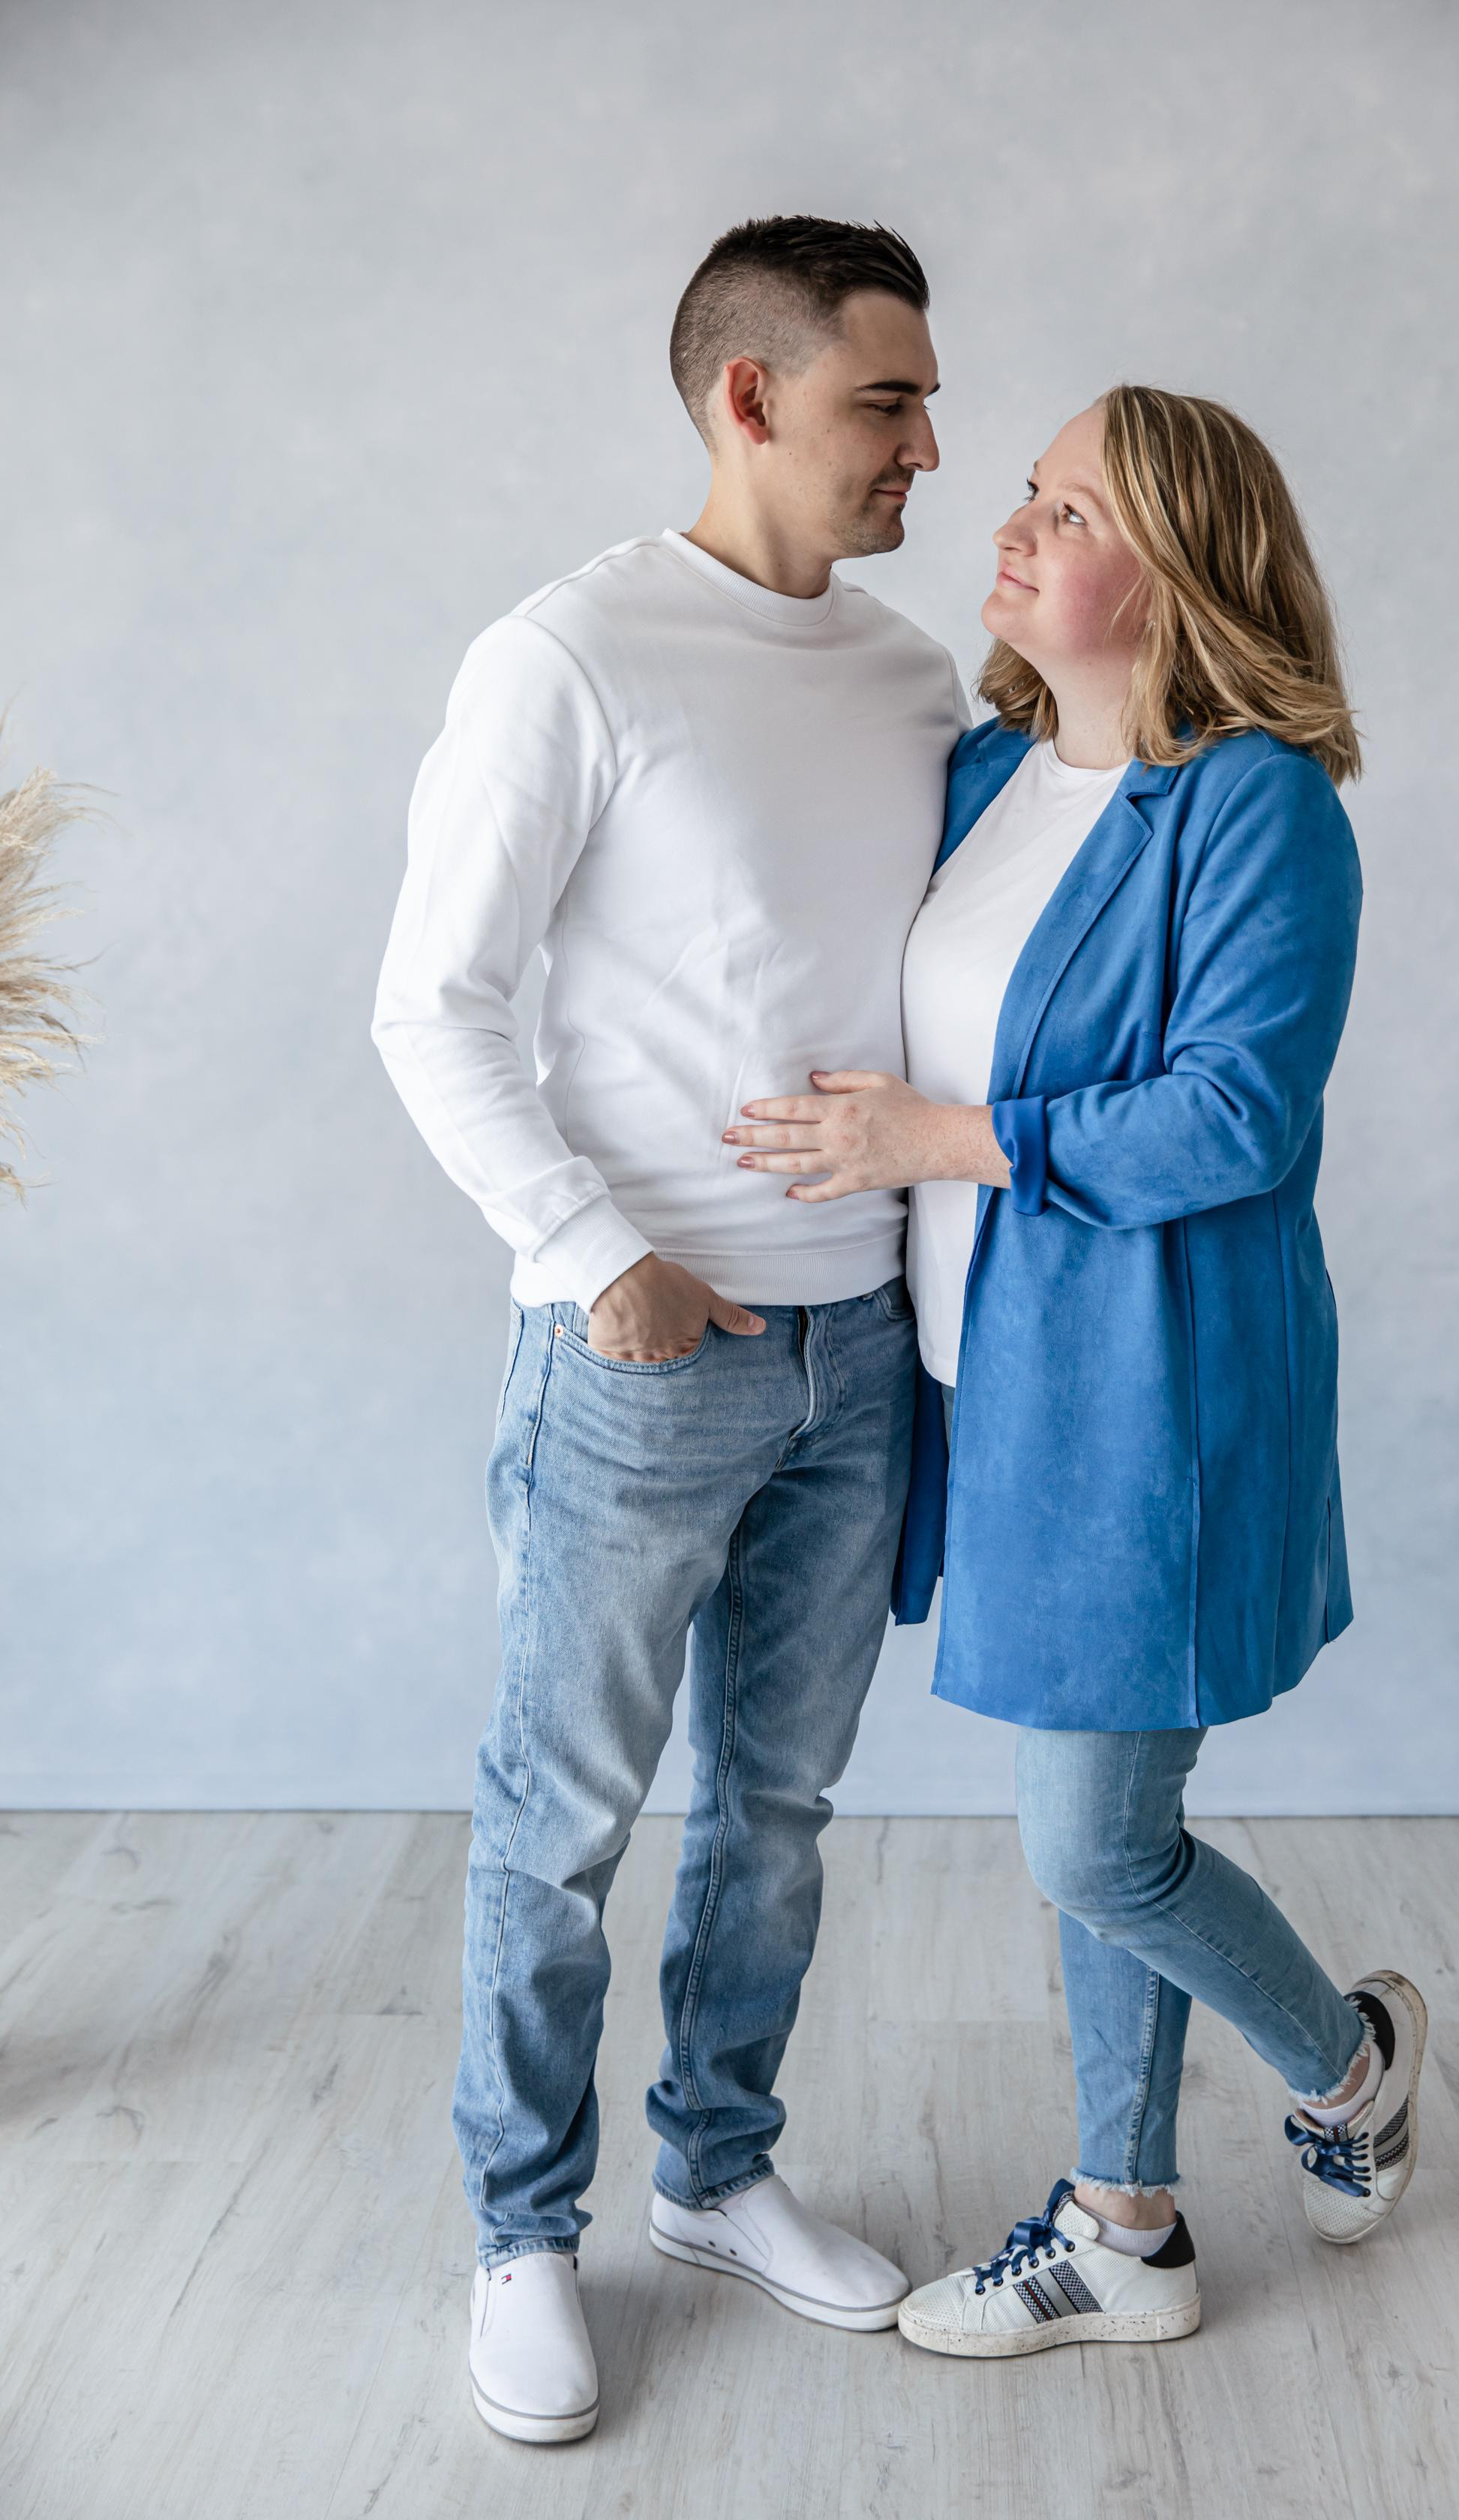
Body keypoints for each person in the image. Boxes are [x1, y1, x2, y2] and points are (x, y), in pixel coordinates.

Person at [726, 384, 1425, 2360]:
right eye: (1024, 496)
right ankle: (1127, 2222)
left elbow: (1238, 1118)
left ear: (1186, 570)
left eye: (1074, 509)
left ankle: (1350, 2064)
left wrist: (952, 1145)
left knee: (1093, 1839)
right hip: (994, 1380)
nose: (1014, 532)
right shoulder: (990, 773)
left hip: (1155, 1397)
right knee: (1092, 1815)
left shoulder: (1258, 801)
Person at [373, 216, 968, 2443]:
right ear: (750, 399)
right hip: (639, 1358)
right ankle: (527, 2235)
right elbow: (433, 1005)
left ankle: (718, 2177)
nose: (929, 443)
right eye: (885, 399)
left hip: (858, 1358)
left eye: (923, 398)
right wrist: (588, 1249)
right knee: (559, 1825)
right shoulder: (571, 655)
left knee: (781, 1810)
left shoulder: (916, 680)